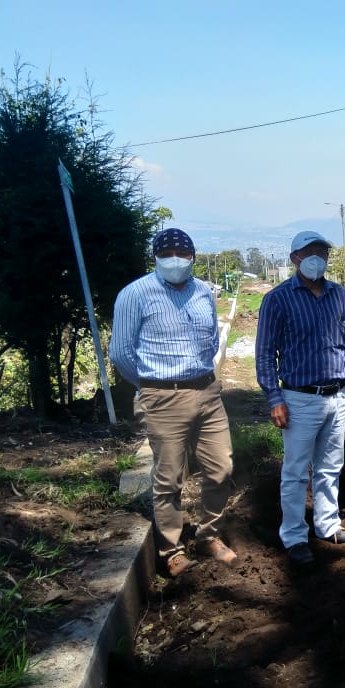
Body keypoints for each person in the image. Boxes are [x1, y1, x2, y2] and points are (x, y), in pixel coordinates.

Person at [109, 228, 238, 577]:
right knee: (169, 478)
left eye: (182, 254)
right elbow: (120, 353)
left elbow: (211, 340)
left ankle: (208, 536)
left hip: (207, 392)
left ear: (193, 257)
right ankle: (171, 550)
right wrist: (152, 386)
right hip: (162, 396)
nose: (175, 260)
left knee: (221, 468)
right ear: (155, 257)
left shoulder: (203, 292)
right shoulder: (135, 294)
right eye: (167, 254)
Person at [256, 230, 345, 568]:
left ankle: (328, 526)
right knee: (295, 472)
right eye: (310, 253)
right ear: (295, 258)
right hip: (299, 398)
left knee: (330, 467)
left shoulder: (339, 296)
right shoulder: (278, 299)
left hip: (336, 397)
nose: (317, 259)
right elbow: (264, 355)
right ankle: (294, 537)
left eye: (322, 253)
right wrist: (274, 398)